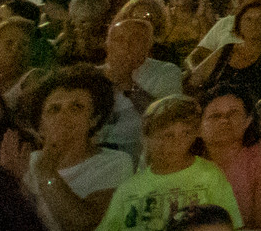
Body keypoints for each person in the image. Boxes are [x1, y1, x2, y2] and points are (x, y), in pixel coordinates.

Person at [9, 67, 135, 231]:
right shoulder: (26, 161)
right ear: (40, 126)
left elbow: (83, 224)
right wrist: (13, 182)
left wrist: (46, 172)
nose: (63, 117)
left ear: (94, 120)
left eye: (76, 107)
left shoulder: (115, 162)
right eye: (54, 109)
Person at [96, 97, 241, 231]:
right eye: (168, 135)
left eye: (186, 133)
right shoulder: (128, 189)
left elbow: (232, 225)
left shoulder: (210, 175)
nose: (177, 142)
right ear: (148, 138)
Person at [197, 87, 261, 231]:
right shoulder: (189, 161)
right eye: (215, 116)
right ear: (198, 127)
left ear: (248, 120)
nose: (224, 120)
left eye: (233, 113)